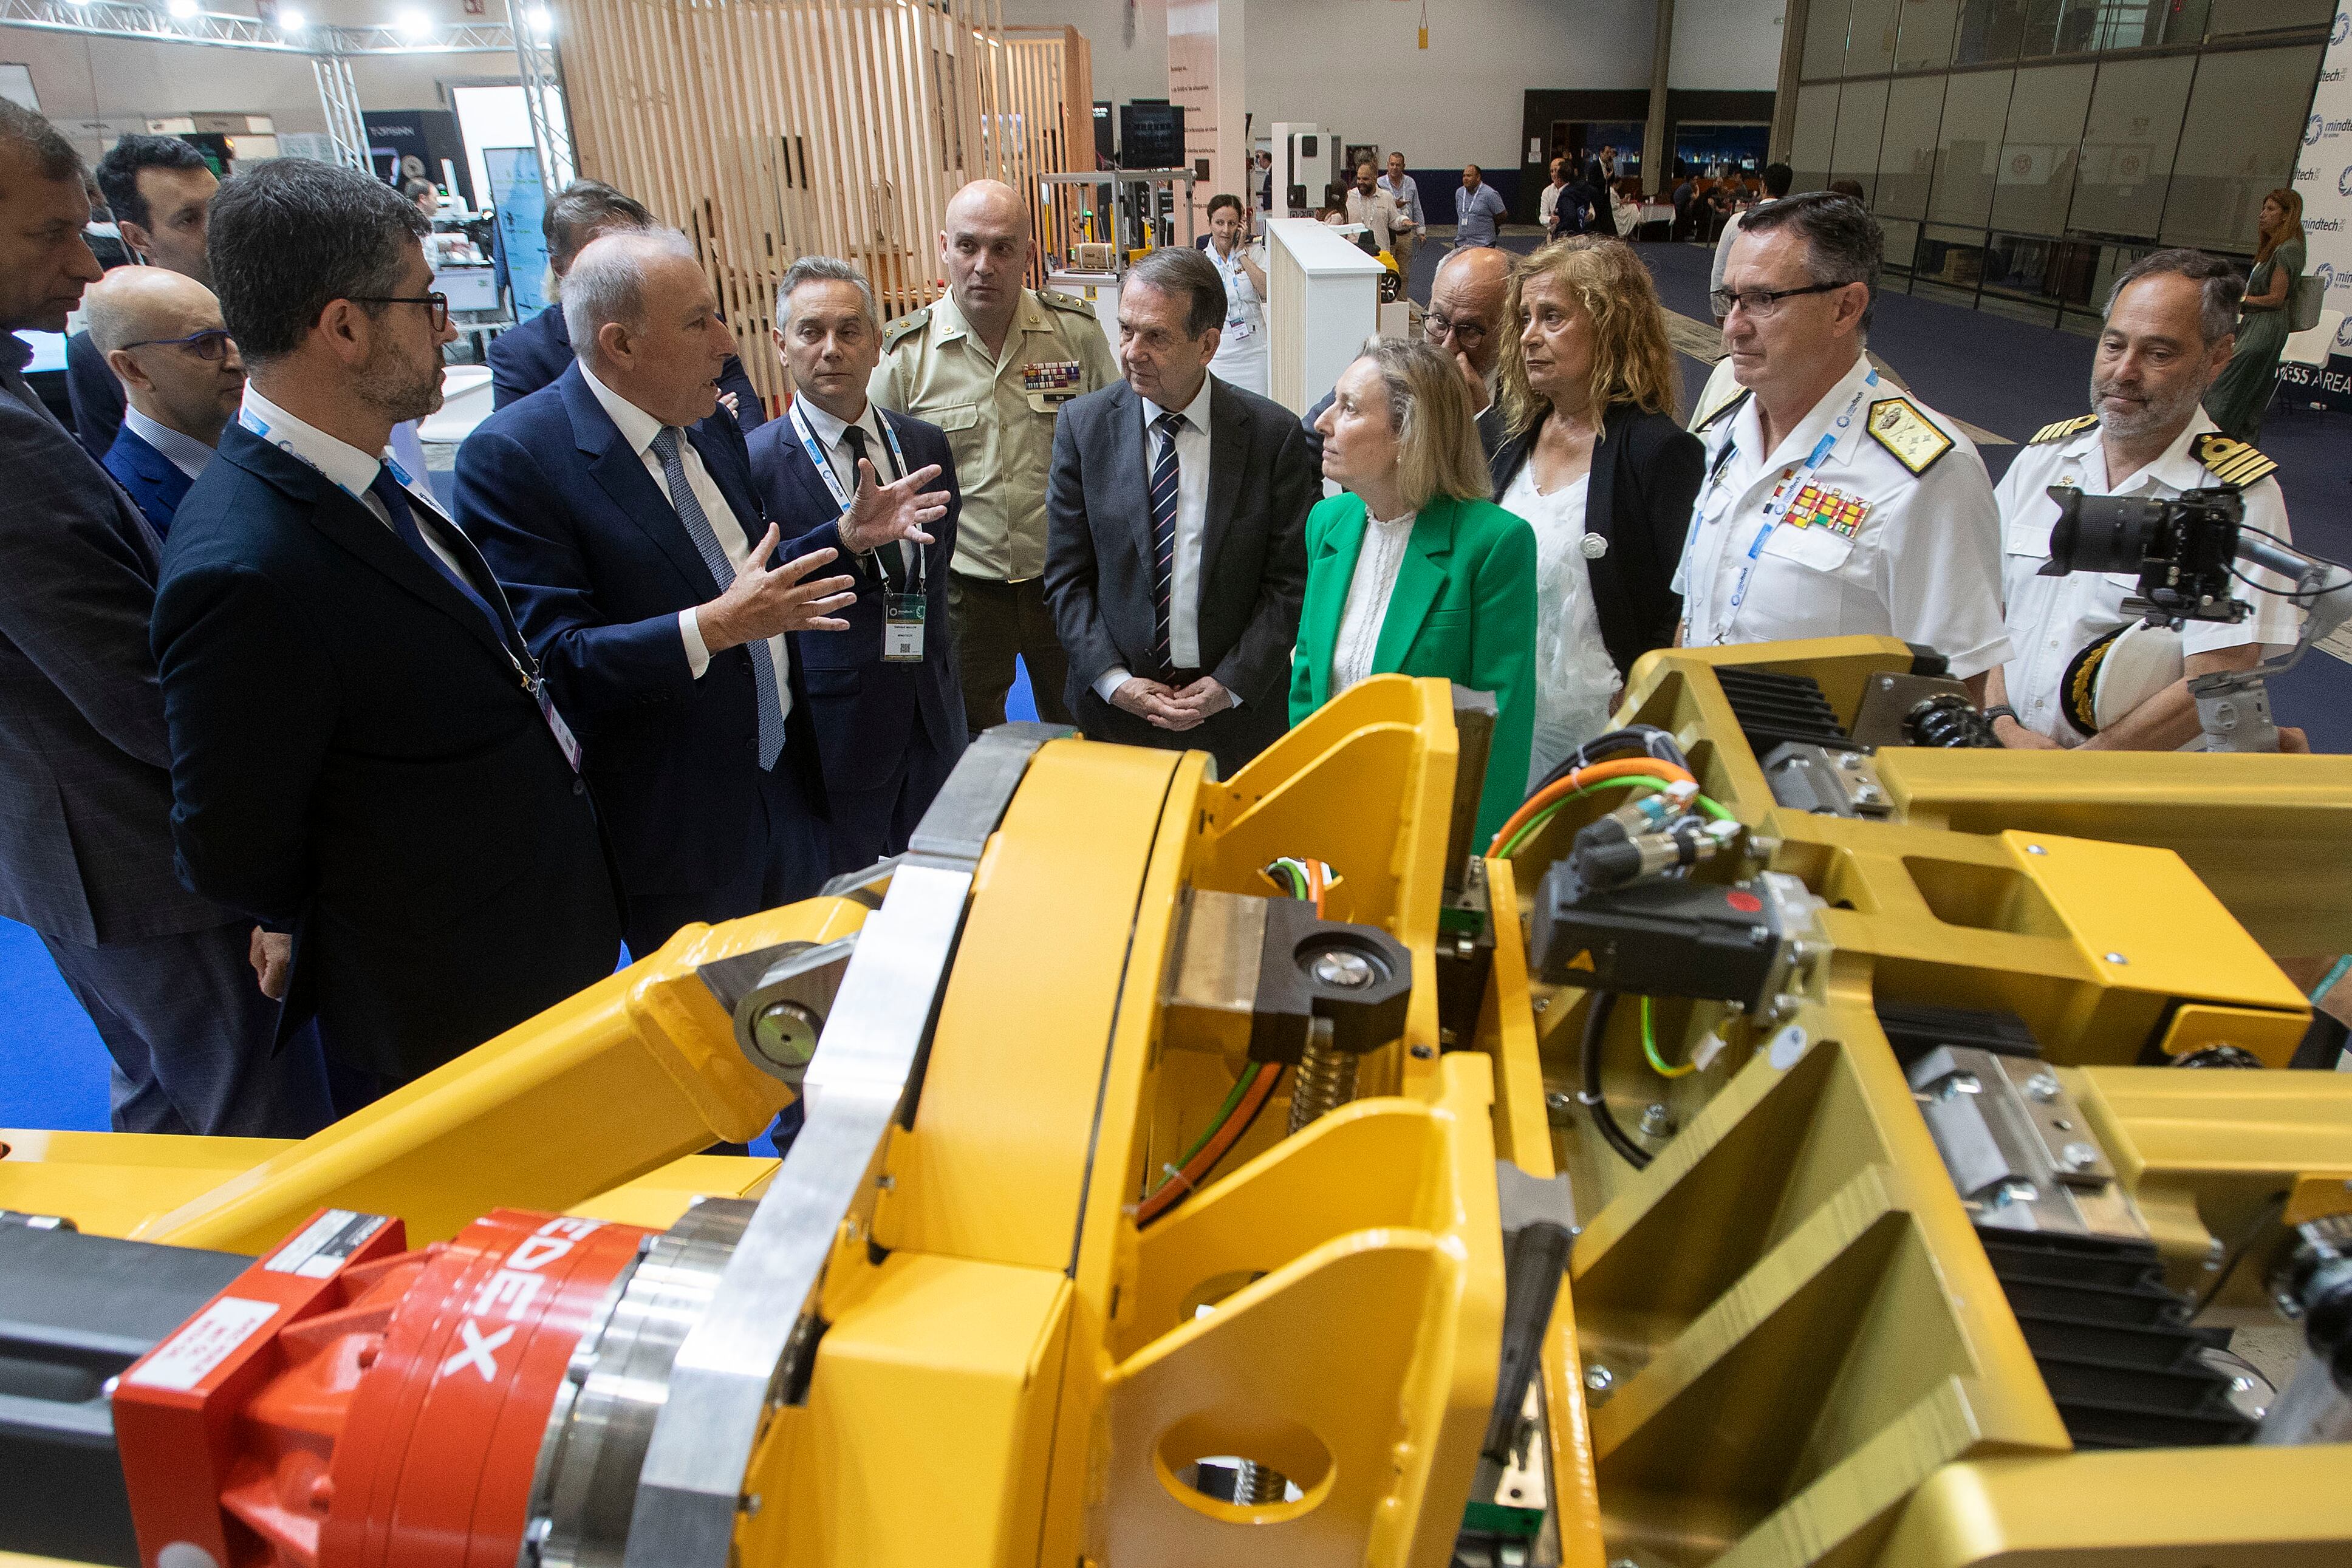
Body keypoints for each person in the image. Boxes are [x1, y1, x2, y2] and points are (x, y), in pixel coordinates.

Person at [154, 158, 624, 1096]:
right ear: (345, 326)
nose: (444, 329)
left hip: (524, 938)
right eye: (426, 303)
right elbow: (227, 842)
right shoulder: (245, 562)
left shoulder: (357, 472)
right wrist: (313, 908)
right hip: (445, 995)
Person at [0, 103, 331, 1137]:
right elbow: (135, 688)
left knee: (166, 1114)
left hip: (90, 862)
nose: (83, 264)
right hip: (154, 867)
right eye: (49, 233)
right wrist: (278, 860)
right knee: (257, 1132)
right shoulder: (12, 441)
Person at [457, 233, 931, 952]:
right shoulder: (515, 457)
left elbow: (749, 579)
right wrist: (709, 629)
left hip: (788, 779)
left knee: (808, 987)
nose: (726, 341)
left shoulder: (706, 421)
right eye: (699, 320)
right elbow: (556, 662)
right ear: (621, 345)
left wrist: (844, 535)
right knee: (710, 1035)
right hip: (684, 827)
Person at [1676, 193, 2009, 694]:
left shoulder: (1928, 474)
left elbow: (1961, 685)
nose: (1732, 328)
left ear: (1845, 308)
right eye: (1730, 299)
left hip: (1828, 770)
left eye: (1763, 300)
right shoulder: (1725, 435)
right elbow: (1695, 616)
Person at [1988, 249, 2298, 751]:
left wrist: (2077, 773)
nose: (2124, 372)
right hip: (2001, 752)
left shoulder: (2236, 499)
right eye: (2114, 345)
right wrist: (2001, 724)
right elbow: (1981, 609)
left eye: (2158, 354)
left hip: (2118, 787)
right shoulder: (2044, 460)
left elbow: (2218, 677)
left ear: (2219, 356)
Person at [1043, 246, 1317, 776]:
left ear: (1208, 345)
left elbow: (1290, 584)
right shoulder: (1084, 428)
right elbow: (1066, 578)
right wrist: (1114, 682)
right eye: (1126, 330)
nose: (1131, 351)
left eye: (1156, 336)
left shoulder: (1271, 436)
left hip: (1234, 722)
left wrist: (1230, 685)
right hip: (1114, 720)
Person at [872, 177, 1120, 734]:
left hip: (1064, 580)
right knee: (967, 731)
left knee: (1083, 723)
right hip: (963, 587)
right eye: (967, 246)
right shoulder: (906, 357)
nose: (984, 264)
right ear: (944, 248)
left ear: (1027, 254)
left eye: (1002, 248)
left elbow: (1118, 443)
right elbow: (872, 465)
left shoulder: (1073, 335)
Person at [744, 256, 966, 873]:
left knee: (937, 881)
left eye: (849, 331)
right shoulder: (754, 463)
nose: (830, 349)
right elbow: (758, 590)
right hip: (835, 724)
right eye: (810, 332)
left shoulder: (923, 443)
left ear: (876, 343)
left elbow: (936, 556)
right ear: (780, 344)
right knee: (846, 902)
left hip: (931, 708)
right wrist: (845, 538)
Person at [1296, 339, 1534, 845]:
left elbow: (1500, 731)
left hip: (1425, 827)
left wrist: (1464, 869)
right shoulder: (1328, 524)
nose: (1323, 421)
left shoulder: (1494, 545)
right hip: (1328, 815)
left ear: (1408, 434)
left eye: (1350, 408)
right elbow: (1307, 678)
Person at [1491, 238, 1704, 779]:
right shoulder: (1514, 436)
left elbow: (1683, 604)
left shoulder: (1658, 452)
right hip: (1508, 711)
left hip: (1599, 729)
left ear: (1611, 325)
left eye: (1553, 317)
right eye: (1525, 318)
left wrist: (1644, 695)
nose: (1529, 336)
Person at [486, 179, 765, 429]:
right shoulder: (521, 354)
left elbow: (744, 415)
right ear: (560, 267)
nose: (626, 261)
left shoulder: (701, 324)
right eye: (603, 250)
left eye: (635, 244)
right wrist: (700, 420)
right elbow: (540, 453)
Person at [67, 134, 217, 463]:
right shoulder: (96, 354)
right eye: (189, 220)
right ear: (137, 237)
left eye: (219, 210)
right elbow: (121, 488)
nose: (216, 231)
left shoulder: (279, 314)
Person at [1301, 245, 1514, 462]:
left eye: (1470, 330)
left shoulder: (1532, 401)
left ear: (1509, 330)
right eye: (1439, 321)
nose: (1447, 347)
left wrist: (1482, 418)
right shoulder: (1388, 372)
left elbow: (1508, 489)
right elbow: (1301, 448)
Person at [84, 267, 244, 539]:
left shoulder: (255, 444)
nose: (238, 360)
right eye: (205, 344)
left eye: (234, 336)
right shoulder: (128, 510)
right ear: (133, 369)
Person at [2204, 188, 2304, 444]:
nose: (2262, 215)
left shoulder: (2288, 250)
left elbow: (2276, 298)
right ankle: (2241, 449)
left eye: (2271, 210)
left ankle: (2211, 440)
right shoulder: (2276, 247)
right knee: (2251, 394)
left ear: (2286, 215)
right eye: (2263, 208)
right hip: (2256, 324)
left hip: (2267, 327)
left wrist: (2239, 301)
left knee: (2227, 387)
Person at [1202, 193, 1269, 395]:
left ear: (1241, 225)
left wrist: (1241, 255)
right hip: (1220, 353)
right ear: (1210, 223)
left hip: (1255, 350)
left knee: (1259, 413)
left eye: (1232, 223)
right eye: (1219, 223)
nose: (1225, 230)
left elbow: (1267, 290)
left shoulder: (1254, 253)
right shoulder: (1203, 261)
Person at [1712, 161, 1791, 320]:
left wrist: (1720, 310)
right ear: (1788, 189)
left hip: (1739, 306)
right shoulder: (1796, 225)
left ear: (1763, 187)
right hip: (1779, 310)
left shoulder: (1737, 222)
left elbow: (1720, 268)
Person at [1344, 160, 1401, 257]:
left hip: (1380, 254)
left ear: (1375, 178)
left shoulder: (1386, 197)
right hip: (1354, 255)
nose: (1361, 182)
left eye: (1365, 179)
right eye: (1359, 179)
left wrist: (1403, 221)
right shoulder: (1349, 197)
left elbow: (1394, 221)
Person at [1381, 152, 1424, 278]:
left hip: (1406, 235)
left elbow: (1417, 207)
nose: (1395, 168)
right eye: (1392, 164)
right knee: (1389, 272)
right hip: (1389, 235)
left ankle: (1403, 297)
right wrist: (1394, 204)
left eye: (1398, 165)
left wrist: (1421, 231)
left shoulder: (1410, 183)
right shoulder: (1380, 183)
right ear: (1387, 165)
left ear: (1403, 166)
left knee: (1404, 274)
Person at [1456, 165, 1508, 248]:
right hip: (1462, 243)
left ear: (1478, 177)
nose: (1465, 179)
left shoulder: (1490, 194)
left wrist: (1491, 227)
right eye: (1464, 176)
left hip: (1483, 244)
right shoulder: (1459, 193)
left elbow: (1502, 215)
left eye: (1469, 176)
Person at [1538, 159, 1567, 233]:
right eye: (1552, 171)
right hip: (1554, 234)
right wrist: (1550, 220)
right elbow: (1542, 217)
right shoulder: (1547, 192)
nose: (1554, 174)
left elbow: (1591, 210)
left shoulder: (1573, 189)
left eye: (1557, 170)